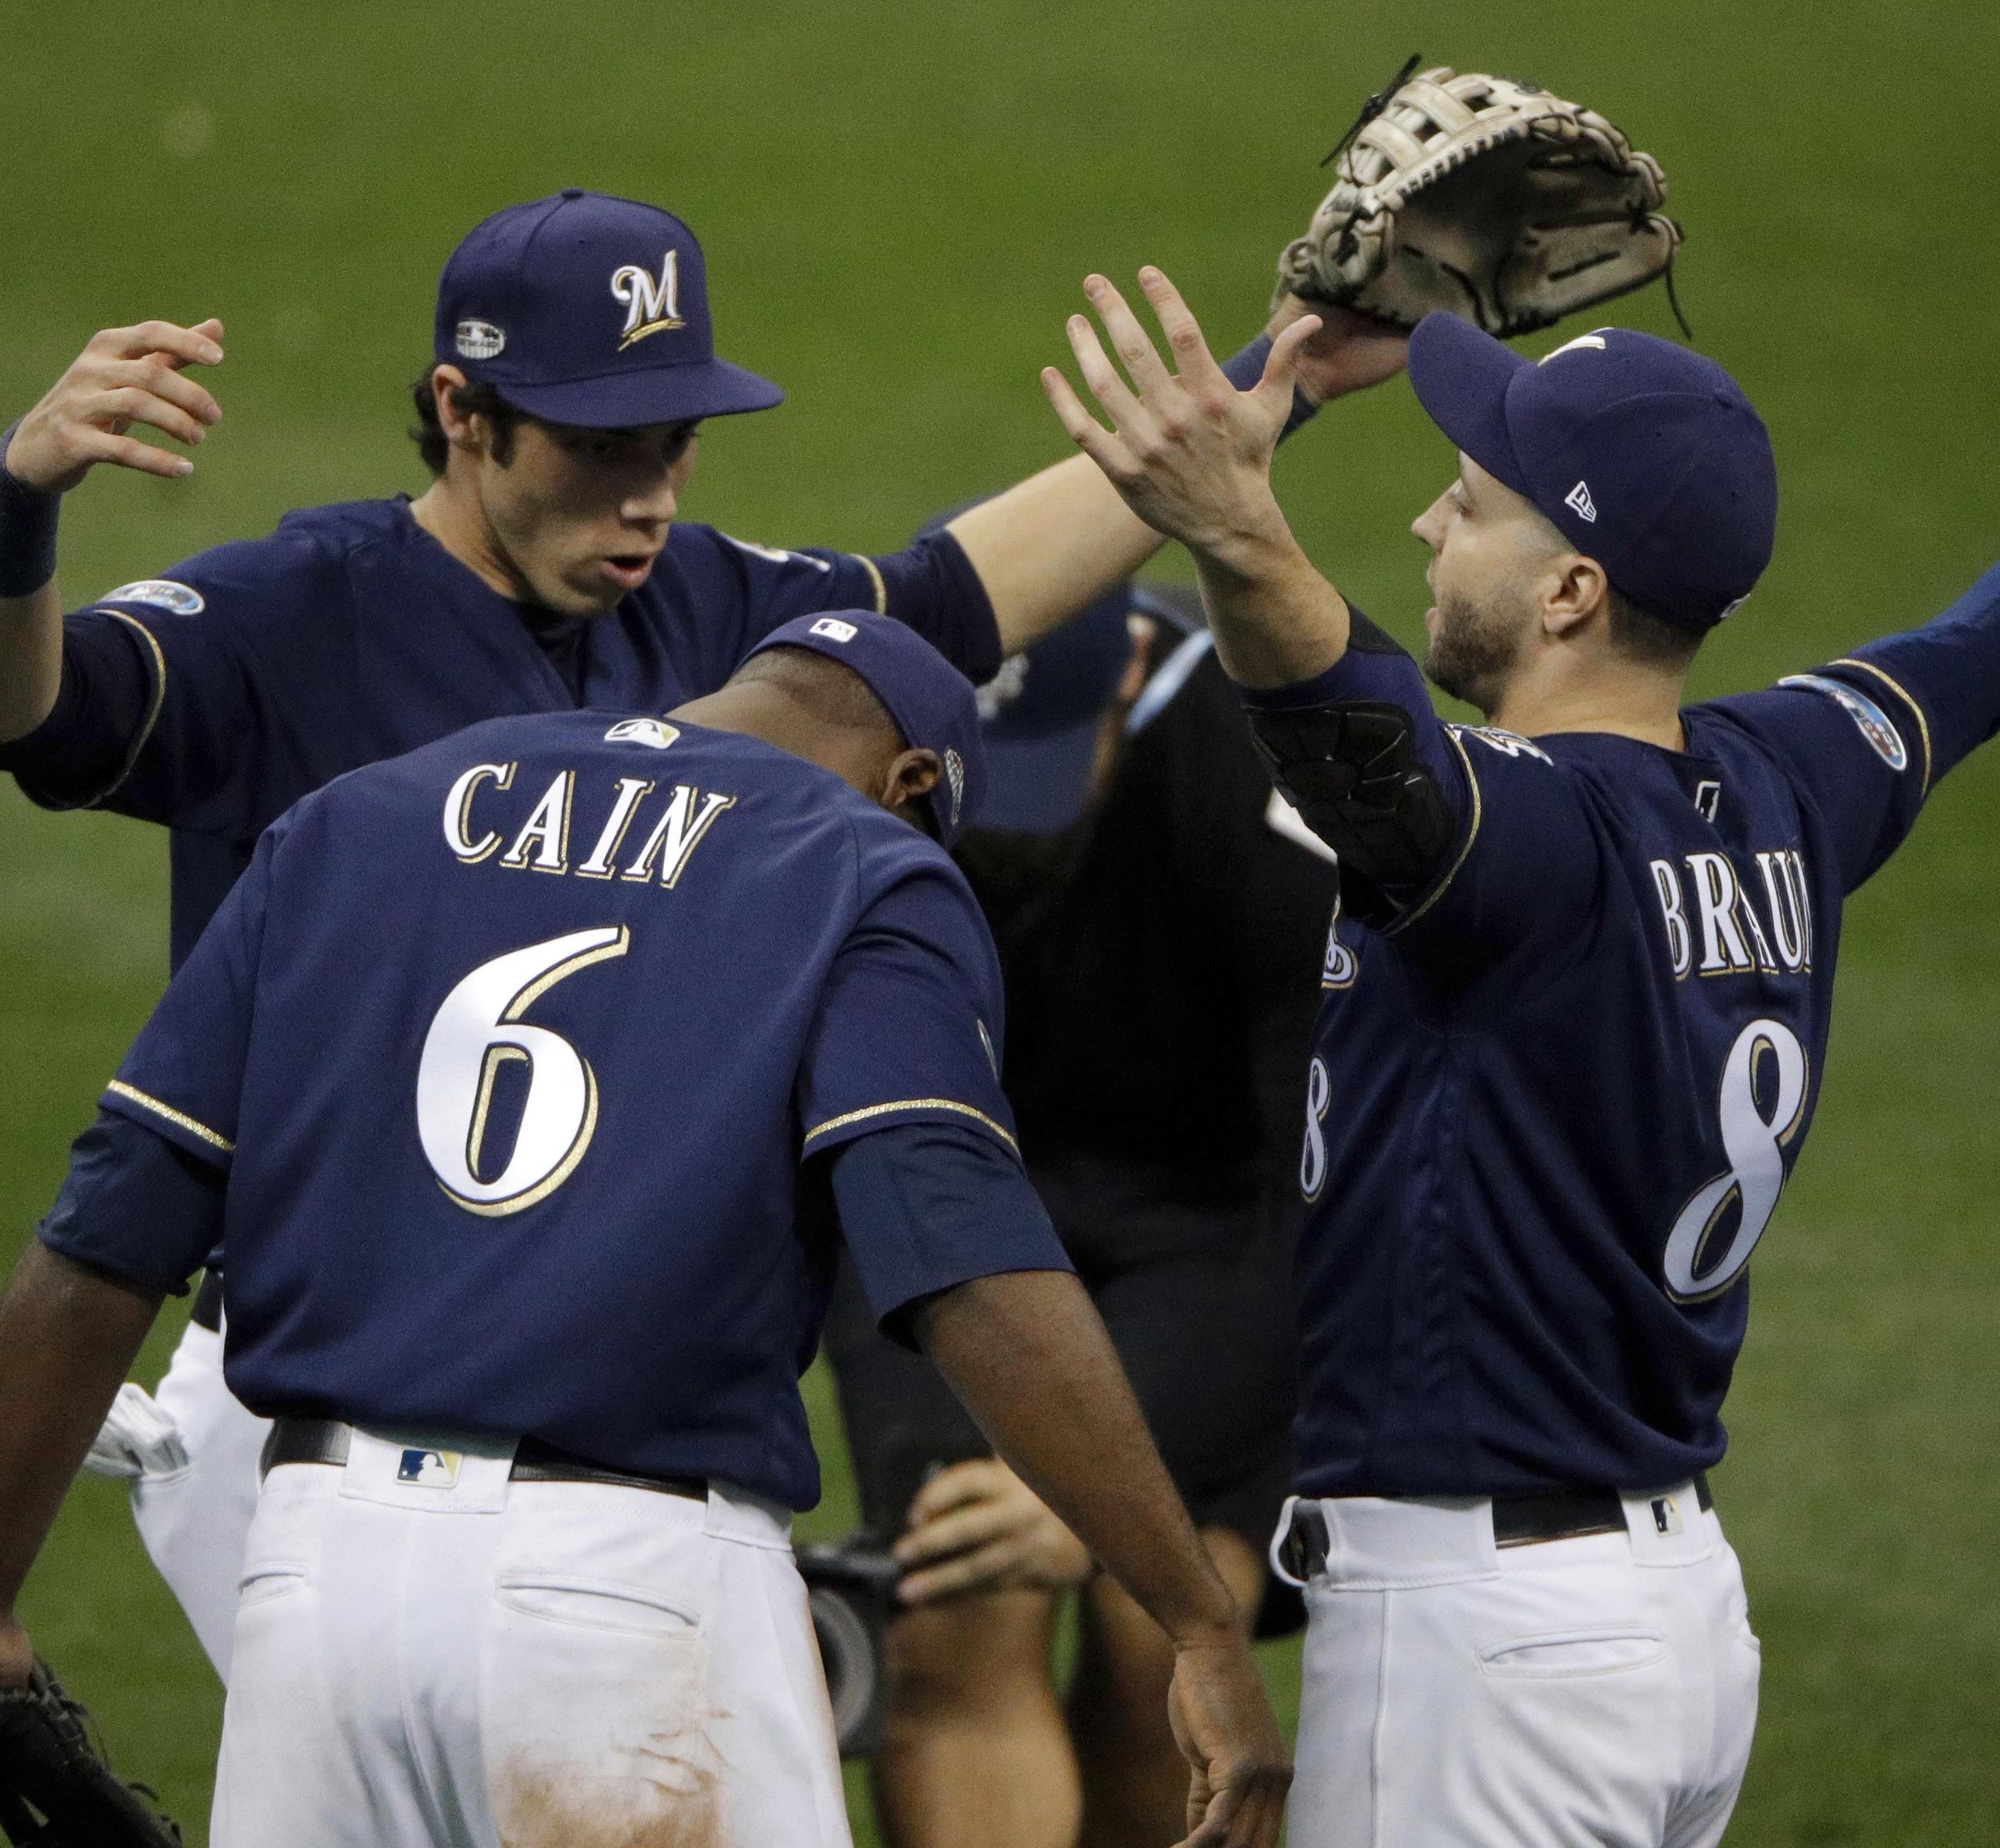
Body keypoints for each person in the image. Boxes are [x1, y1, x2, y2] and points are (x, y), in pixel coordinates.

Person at [0, 186, 1399, 1672]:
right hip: (328, 1370)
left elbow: (957, 597)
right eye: (603, 446)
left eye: (674, 441)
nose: (651, 495)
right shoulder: (295, 612)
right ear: (463, 411)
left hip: (606, 1365)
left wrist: (1285, 376)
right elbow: (44, 718)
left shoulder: (710, 606)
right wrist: (18, 508)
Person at [0, 610, 1291, 1848]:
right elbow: (957, 1255)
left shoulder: (359, 815)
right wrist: (1194, 1619)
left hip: (312, 1590)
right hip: (620, 1610)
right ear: (907, 780)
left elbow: (99, 1244)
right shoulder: (860, 860)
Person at [1039, 265, 2000, 1846]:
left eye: (1470, 504)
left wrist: (1228, 515)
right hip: (1664, 1612)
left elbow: (1340, 720)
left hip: (1484, 1644)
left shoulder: (1522, 848)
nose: (1426, 525)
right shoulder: (1790, 781)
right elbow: (1967, 649)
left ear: (1571, 593)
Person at [822, 579, 1336, 1848]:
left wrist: (1092, 1487)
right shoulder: (845, 762)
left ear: (1129, 677)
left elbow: (1314, 1189)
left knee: (1156, 1613)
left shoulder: (1270, 791)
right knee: (955, 1601)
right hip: (944, 1181)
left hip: (1218, 1212)